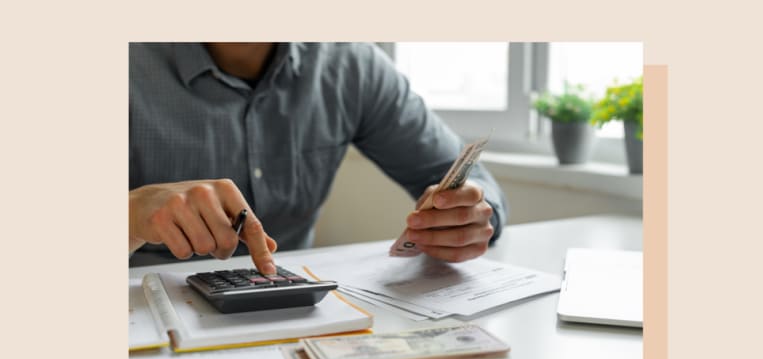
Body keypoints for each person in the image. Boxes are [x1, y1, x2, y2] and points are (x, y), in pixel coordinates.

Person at [129, 42, 508, 274]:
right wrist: (129, 215)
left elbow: (476, 185)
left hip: (296, 319)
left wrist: (468, 215)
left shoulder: (351, 64)